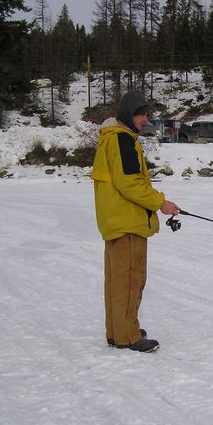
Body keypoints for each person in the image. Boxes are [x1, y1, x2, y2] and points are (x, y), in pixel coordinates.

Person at [91, 90, 180, 353]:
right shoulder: (123, 140)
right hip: (127, 222)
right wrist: (160, 202)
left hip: (116, 221)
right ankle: (128, 335)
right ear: (128, 115)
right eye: (141, 114)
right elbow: (130, 183)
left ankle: (117, 330)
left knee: (117, 281)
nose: (145, 119)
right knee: (130, 280)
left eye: (146, 115)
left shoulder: (111, 138)